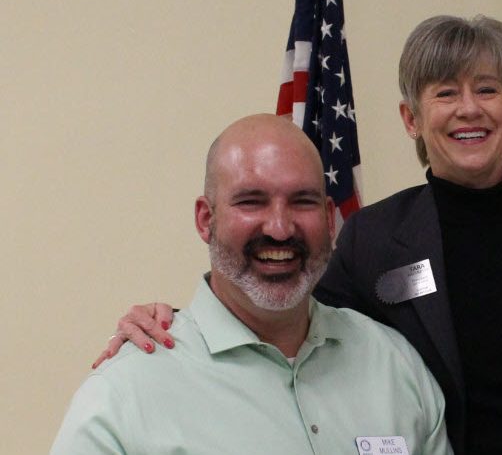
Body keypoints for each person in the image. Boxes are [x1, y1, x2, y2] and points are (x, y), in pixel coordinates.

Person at [94, 16, 502, 455]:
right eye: (445, 93)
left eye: (487, 89)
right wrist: (176, 321)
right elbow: (287, 315)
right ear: (411, 118)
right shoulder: (376, 237)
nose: (469, 109)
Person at [53, 115, 451, 455]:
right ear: (206, 220)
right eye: (251, 201)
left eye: (303, 201)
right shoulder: (125, 394)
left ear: (330, 220)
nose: (279, 228)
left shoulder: (395, 367)